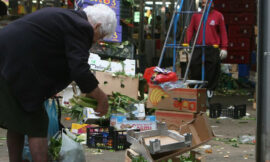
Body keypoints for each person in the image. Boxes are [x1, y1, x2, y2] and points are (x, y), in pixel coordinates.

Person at [0, 4, 116, 162]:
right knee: (37, 125)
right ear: (97, 26)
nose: (96, 41)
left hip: (7, 61)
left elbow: (51, 50)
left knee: (18, 122)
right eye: (100, 37)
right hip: (14, 66)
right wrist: (101, 98)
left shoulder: (68, 17)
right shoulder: (82, 27)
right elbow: (79, 69)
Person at [186, 0, 228, 98]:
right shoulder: (196, 16)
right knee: (194, 65)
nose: (206, 5)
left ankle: (209, 90)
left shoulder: (218, 16)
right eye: (204, 3)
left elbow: (223, 32)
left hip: (212, 47)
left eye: (208, 2)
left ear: (212, 4)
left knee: (213, 67)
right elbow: (190, 29)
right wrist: (187, 43)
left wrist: (224, 48)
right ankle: (195, 88)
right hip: (198, 47)